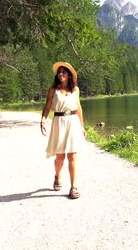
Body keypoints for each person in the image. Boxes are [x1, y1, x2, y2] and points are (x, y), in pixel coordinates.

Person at [40, 61, 86, 199]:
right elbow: (48, 106)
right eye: (59, 72)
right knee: (60, 157)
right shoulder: (53, 90)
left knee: (72, 155)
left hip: (73, 123)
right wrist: (43, 119)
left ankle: (73, 188)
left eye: (63, 72)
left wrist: (82, 126)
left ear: (69, 75)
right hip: (59, 122)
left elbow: (78, 108)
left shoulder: (75, 90)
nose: (60, 74)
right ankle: (57, 176)